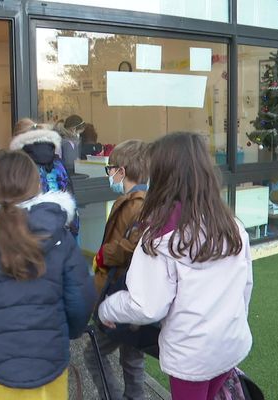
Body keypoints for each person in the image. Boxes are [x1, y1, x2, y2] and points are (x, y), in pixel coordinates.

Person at [98, 132, 253, 400]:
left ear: (163, 176)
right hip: (229, 344)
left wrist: (106, 308)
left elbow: (146, 305)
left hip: (192, 356)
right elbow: (245, 286)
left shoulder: (161, 237)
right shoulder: (232, 226)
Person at [0, 150, 96, 400]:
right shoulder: (61, 237)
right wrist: (66, 333)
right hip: (49, 362)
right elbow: (81, 300)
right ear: (36, 184)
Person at [84, 139, 149, 400]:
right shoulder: (138, 200)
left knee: (93, 353)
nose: (109, 174)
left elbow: (133, 246)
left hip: (120, 291)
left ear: (122, 170)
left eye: (110, 168)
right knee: (132, 356)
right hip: (133, 293)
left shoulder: (137, 203)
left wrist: (103, 255)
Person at [9, 120, 79, 235]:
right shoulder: (58, 163)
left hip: (31, 237)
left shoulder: (18, 166)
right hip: (64, 232)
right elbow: (71, 196)